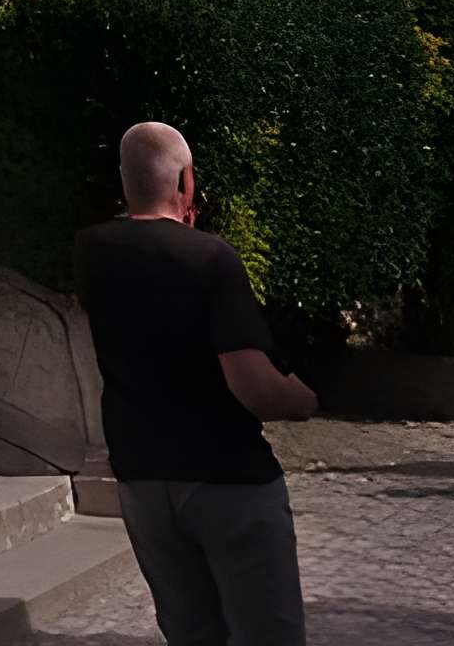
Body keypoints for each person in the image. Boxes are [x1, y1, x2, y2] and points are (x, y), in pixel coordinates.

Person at [75, 121, 319, 646]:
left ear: (125, 180)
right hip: (225, 476)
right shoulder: (212, 258)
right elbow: (252, 386)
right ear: (185, 182)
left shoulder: (91, 251)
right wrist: (303, 399)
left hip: (142, 478)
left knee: (190, 633)